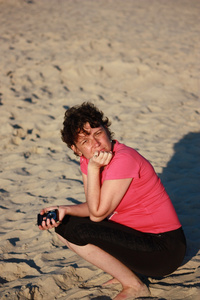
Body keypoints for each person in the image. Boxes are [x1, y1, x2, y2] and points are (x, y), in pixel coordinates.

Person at [39, 102, 186, 300]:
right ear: (76, 149)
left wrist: (93, 169)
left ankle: (134, 286)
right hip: (139, 238)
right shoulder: (88, 160)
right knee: (63, 225)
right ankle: (126, 273)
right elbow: (95, 206)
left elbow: (98, 214)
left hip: (164, 248)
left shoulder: (123, 159)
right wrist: (63, 209)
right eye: (85, 141)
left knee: (77, 230)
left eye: (97, 133)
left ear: (107, 130)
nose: (96, 143)